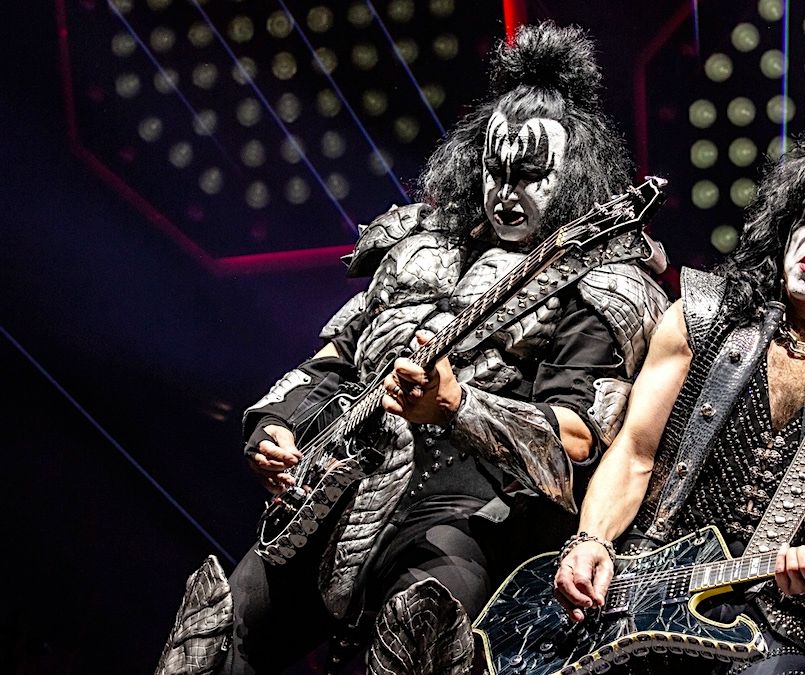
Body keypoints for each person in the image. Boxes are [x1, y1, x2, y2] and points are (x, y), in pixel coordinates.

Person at [156, 22, 669, 675]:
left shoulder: (605, 282)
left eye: (529, 174)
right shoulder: (418, 244)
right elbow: (337, 357)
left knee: (418, 635)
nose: (506, 191)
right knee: (207, 641)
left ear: (573, 174)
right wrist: (278, 427)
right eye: (495, 169)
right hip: (335, 491)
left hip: (470, 513)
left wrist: (460, 406)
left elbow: (578, 440)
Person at [553, 124, 805, 674]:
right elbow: (635, 451)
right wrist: (591, 541)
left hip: (769, 613)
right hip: (641, 584)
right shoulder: (702, 312)